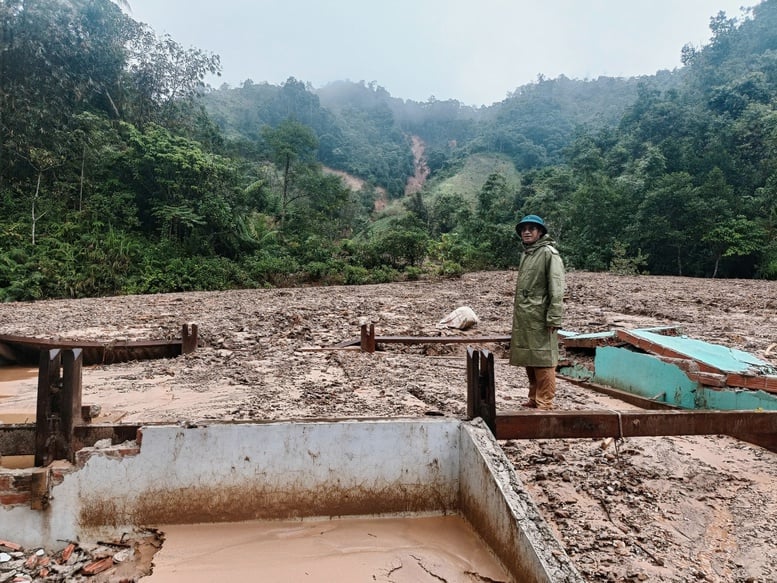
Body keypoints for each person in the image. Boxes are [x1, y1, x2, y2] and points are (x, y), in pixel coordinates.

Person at [509, 214, 565, 410]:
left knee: (544, 360)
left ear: (540, 232)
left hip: (541, 317)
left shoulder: (549, 253)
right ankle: (533, 398)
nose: (527, 231)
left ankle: (545, 402)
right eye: (524, 228)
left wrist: (554, 317)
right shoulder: (527, 254)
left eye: (532, 228)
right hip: (525, 316)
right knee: (529, 358)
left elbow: (557, 288)